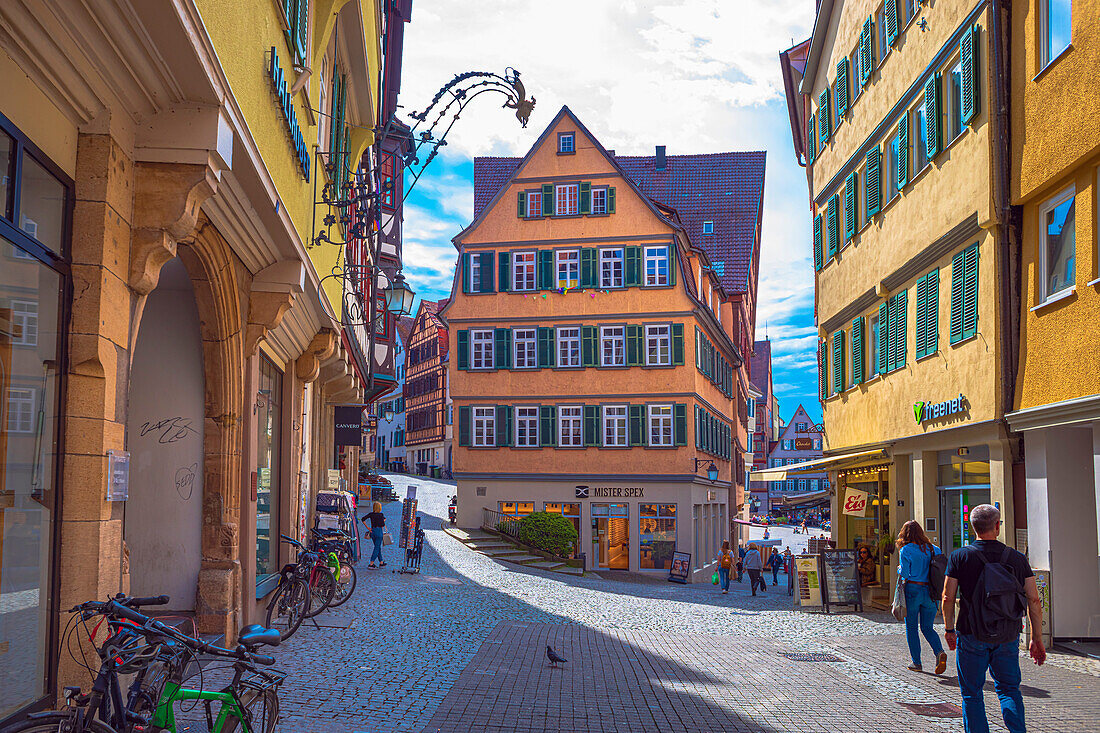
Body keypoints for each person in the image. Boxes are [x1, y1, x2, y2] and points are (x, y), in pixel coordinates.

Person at [942, 504, 1045, 733]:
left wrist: (949, 629)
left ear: (972, 527)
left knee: (972, 694)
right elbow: (1034, 600)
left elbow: (948, 597)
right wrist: (1036, 637)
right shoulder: (1017, 558)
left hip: (971, 632)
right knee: (1009, 690)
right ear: (997, 526)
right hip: (1008, 633)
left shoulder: (960, 556)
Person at [896, 520, 947, 674]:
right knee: (927, 627)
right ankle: (939, 651)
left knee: (911, 627)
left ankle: (916, 662)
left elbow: (904, 573)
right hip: (931, 591)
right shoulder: (934, 549)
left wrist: (899, 569)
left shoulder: (906, 550)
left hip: (913, 589)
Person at [361, 501, 387, 568]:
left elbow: (363, 519)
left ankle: (381, 562)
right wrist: (383, 520)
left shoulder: (371, 514)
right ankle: (371, 563)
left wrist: (367, 527)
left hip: (373, 532)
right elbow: (382, 525)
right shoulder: (381, 515)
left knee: (377, 547)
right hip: (379, 532)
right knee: (377, 547)